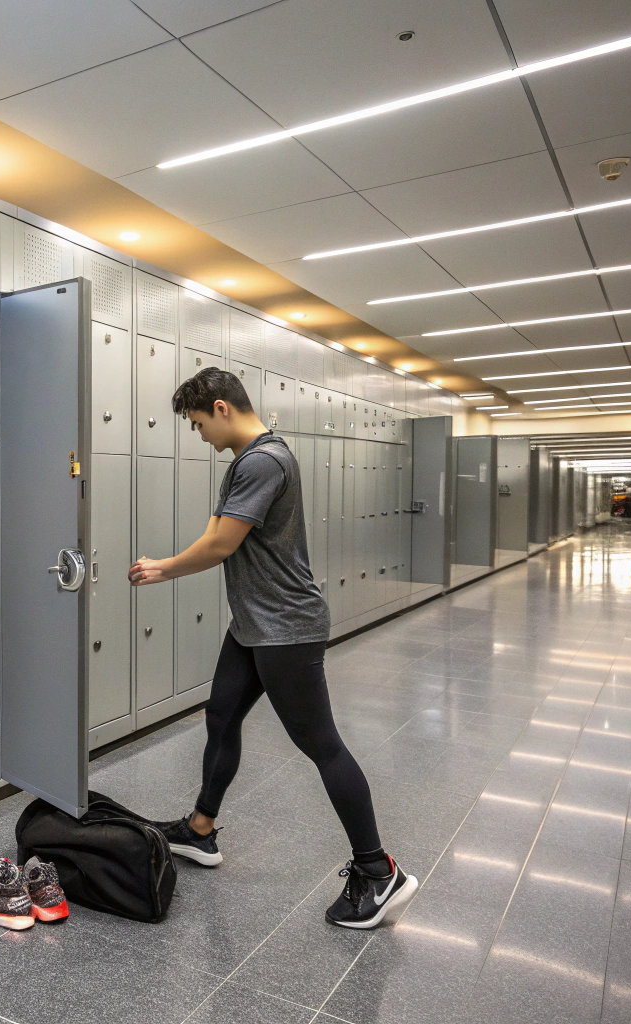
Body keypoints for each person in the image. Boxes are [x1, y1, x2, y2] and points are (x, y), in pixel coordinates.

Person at [128, 367, 417, 929]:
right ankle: (201, 829)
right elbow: (219, 527)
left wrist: (163, 567)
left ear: (221, 408)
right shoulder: (248, 458)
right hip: (253, 626)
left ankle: (378, 871)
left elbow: (220, 542)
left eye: (196, 424)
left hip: (286, 628)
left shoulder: (262, 460)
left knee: (322, 745)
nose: (199, 436)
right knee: (221, 716)